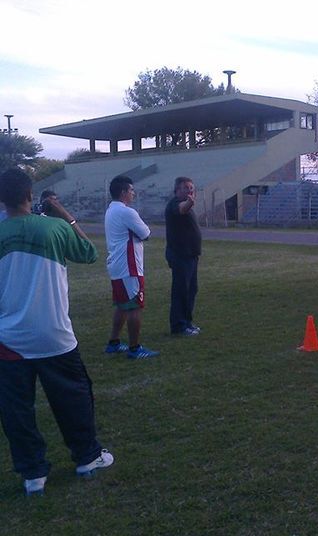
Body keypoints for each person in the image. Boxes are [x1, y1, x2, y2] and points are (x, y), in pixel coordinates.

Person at [0, 168, 114, 496]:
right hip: (53, 334)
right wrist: (63, 213)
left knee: (16, 409)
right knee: (73, 399)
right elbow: (89, 253)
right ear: (30, 195)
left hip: (9, 339)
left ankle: (32, 474)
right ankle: (87, 458)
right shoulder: (55, 228)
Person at [104, 175, 159, 359]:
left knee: (122, 306)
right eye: (131, 190)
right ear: (123, 192)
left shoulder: (110, 210)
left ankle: (114, 342)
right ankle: (135, 348)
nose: (133, 194)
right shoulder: (127, 212)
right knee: (135, 307)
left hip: (117, 266)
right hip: (130, 267)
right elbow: (146, 233)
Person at [165, 176, 202, 337]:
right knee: (181, 291)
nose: (190, 190)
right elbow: (181, 209)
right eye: (186, 187)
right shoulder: (175, 204)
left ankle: (187, 322)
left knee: (191, 290)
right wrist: (190, 203)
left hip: (190, 255)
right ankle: (179, 325)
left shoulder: (186, 205)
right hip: (181, 255)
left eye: (191, 187)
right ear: (177, 190)